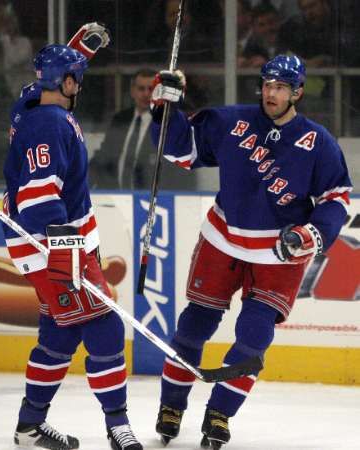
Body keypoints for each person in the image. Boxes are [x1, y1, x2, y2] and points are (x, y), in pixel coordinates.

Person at [149, 55, 352, 448]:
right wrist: (166, 108)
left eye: (280, 87)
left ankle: (220, 413)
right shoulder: (231, 122)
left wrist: (313, 232)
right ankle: (171, 405)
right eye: (267, 85)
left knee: (254, 336)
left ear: (298, 92)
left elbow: (336, 197)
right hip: (223, 241)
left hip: (278, 254)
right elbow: (181, 152)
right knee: (195, 326)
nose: (271, 93)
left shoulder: (317, 142)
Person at [2, 23, 143, 450]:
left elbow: (43, 85)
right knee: (104, 327)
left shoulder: (29, 108)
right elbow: (39, 195)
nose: (79, 84)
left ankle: (29, 426)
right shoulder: (51, 125)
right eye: (75, 77)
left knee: (60, 335)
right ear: (66, 83)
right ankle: (117, 426)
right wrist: (66, 251)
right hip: (54, 246)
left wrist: (77, 52)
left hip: (48, 244)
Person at [88, 68, 195, 190]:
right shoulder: (120, 119)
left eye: (151, 89)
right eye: (141, 89)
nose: (146, 94)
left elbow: (181, 168)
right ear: (132, 91)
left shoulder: (167, 122)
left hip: (152, 202)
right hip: (116, 200)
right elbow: (104, 155)